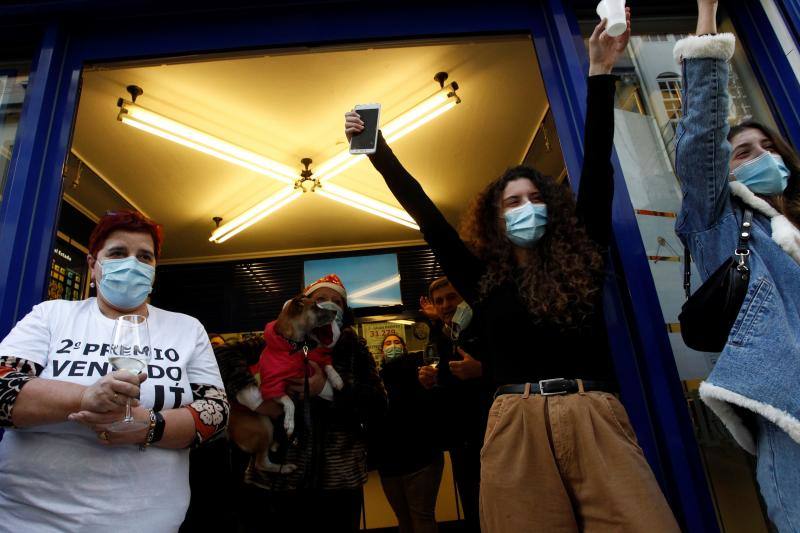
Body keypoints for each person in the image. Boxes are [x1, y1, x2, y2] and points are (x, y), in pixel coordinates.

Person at [346, 9, 679, 532]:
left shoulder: (582, 258)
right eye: (513, 202)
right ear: (496, 219)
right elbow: (427, 217)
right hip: (514, 421)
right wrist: (376, 150)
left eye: (535, 197)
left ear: (553, 207)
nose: (526, 207)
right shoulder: (482, 279)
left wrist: (599, 71)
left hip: (592, 412)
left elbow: (596, 166)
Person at [0, 210, 229, 532]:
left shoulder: (187, 329)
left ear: (154, 271)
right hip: (31, 520)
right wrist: (86, 397)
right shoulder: (51, 316)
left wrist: (149, 426)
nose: (132, 264)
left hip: (149, 521)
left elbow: (216, 412)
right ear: (93, 264)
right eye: (118, 253)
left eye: (144, 257)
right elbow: (3, 387)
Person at [673, 1, 800, 529]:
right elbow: (702, 133)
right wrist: (707, 17)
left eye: (768, 146)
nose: (762, 155)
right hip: (791, 420)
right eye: (744, 152)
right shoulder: (718, 221)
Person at [242, 274, 387, 533]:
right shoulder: (275, 338)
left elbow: (378, 404)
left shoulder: (354, 348)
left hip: (338, 480)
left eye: (337, 302)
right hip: (279, 477)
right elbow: (224, 359)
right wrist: (256, 399)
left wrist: (326, 390)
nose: (329, 305)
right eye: (321, 299)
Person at [419, 277, 488, 533]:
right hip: (461, 440)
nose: (445, 305)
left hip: (492, 433)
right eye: (439, 301)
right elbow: (449, 380)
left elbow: (516, 370)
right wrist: (432, 381)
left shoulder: (485, 326)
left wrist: (482, 370)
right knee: (472, 507)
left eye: (451, 297)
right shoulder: (446, 335)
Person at [375, 333, 443, 533]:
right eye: (388, 343)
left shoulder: (419, 372)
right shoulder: (375, 379)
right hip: (389, 463)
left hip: (421, 459)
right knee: (403, 519)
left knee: (422, 517)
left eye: (397, 342)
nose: (392, 346)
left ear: (404, 348)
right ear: (382, 352)